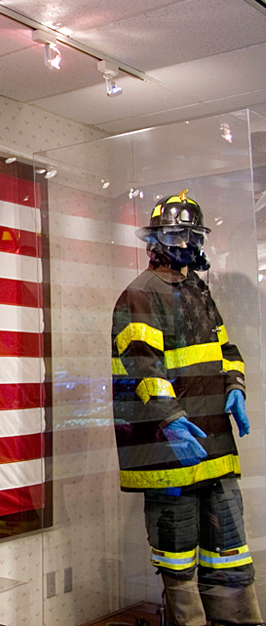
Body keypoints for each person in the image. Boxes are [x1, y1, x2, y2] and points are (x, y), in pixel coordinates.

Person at [111, 190, 262, 625]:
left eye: (192, 235)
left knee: (229, 552)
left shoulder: (198, 290)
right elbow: (141, 365)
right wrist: (171, 419)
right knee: (178, 560)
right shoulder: (139, 294)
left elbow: (225, 348)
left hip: (214, 443)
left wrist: (234, 387)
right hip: (172, 452)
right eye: (177, 234)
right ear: (156, 239)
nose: (186, 244)